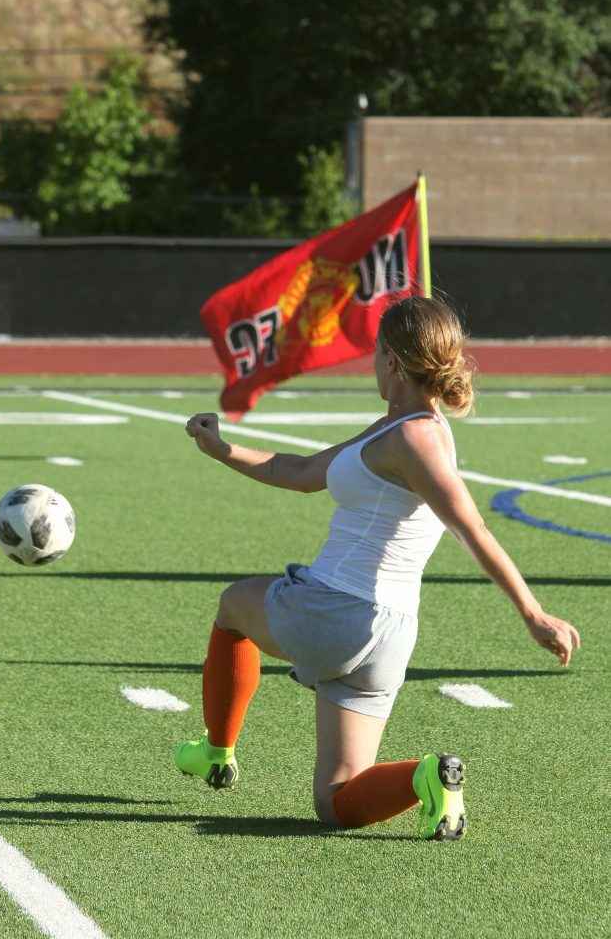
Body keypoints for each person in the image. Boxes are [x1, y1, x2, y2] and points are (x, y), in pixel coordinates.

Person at [175, 295, 581, 839]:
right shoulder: (401, 425)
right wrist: (222, 449)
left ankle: (216, 752)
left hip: (336, 608)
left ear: (392, 360)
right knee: (336, 801)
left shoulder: (414, 438)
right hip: (388, 635)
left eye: (375, 353)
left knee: (233, 607)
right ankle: (426, 777)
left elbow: (473, 529)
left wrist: (534, 614)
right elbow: (302, 471)